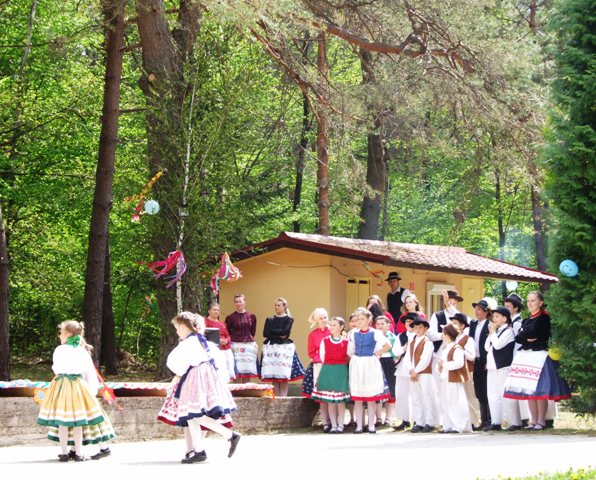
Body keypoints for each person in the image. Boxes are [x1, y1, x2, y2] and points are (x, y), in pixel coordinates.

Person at [157, 312, 240, 463]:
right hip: (209, 378)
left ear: (184, 327)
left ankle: (230, 435)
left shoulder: (188, 343)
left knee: (194, 414)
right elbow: (220, 362)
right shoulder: (204, 342)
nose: (177, 332)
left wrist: (179, 374)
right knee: (191, 414)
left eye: (177, 328)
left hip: (196, 378)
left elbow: (173, 362)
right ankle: (199, 451)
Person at [37, 320, 115, 462]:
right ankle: (78, 453)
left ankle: (65, 453)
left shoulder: (59, 350)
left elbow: (56, 368)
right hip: (77, 386)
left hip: (60, 385)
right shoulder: (81, 351)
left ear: (68, 334)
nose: (59, 336)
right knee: (78, 420)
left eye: (61, 333)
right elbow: (89, 372)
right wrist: (92, 391)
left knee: (63, 419)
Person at [503, 292, 571, 430]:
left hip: (539, 356)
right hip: (527, 357)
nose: (530, 303)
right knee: (529, 389)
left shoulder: (544, 318)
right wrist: (527, 337)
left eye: (533, 300)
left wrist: (527, 336)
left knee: (539, 390)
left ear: (540, 302)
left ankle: (541, 421)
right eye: (528, 301)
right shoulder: (527, 320)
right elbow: (519, 338)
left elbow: (539, 335)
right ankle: (533, 421)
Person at [347, 307, 391, 434]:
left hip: (370, 363)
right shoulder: (353, 334)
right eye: (357, 319)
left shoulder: (375, 333)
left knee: (371, 396)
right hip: (358, 363)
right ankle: (359, 425)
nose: (359, 321)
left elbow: (388, 345)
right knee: (358, 397)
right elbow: (350, 350)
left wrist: (377, 353)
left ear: (368, 320)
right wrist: (353, 359)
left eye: (362, 319)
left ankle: (371, 424)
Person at [311, 317, 350, 433]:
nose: (331, 327)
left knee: (340, 401)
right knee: (330, 401)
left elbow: (349, 357)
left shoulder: (346, 342)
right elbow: (322, 356)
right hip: (328, 370)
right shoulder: (325, 341)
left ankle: (340, 425)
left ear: (341, 327)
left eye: (334, 325)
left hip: (340, 371)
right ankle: (333, 425)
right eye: (331, 325)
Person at [261, 297, 305, 397]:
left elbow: (285, 332)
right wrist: (279, 333)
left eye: (279, 305)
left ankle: (283, 398)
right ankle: (276, 398)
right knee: (274, 375)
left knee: (283, 375)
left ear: (284, 306)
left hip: (283, 348)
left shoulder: (289, 319)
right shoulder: (269, 319)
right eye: (275, 305)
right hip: (271, 348)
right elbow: (265, 333)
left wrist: (273, 331)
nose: (276, 307)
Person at [484, 306, 517, 431]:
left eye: (497, 316)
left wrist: (493, 333)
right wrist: (491, 333)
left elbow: (498, 345)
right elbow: (487, 347)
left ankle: (514, 422)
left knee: (505, 395)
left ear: (505, 318)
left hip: (503, 367)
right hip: (492, 367)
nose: (494, 319)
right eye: (494, 316)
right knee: (493, 395)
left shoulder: (508, 331)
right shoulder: (496, 331)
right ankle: (496, 421)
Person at [404, 317, 439, 433]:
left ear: (425, 329)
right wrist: (411, 370)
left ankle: (430, 422)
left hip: (424, 373)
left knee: (427, 397)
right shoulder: (412, 343)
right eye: (416, 327)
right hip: (413, 374)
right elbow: (407, 359)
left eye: (420, 327)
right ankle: (419, 422)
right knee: (416, 398)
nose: (418, 329)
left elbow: (425, 359)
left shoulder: (427, 343)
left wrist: (416, 371)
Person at [301, 307, 331, 431]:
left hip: (333, 364)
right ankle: (325, 421)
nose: (323, 320)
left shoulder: (333, 331)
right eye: (320, 318)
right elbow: (311, 352)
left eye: (325, 317)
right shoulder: (313, 335)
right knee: (322, 393)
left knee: (333, 392)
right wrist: (319, 358)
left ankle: (335, 421)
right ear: (316, 320)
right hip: (319, 365)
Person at [438, 324, 471, 433]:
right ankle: (448, 425)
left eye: (443, 333)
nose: (442, 335)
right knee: (445, 402)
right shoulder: (446, 348)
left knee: (455, 402)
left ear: (447, 335)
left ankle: (458, 425)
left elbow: (458, 363)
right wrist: (440, 367)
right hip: (445, 377)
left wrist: (444, 364)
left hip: (453, 378)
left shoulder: (457, 348)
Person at [503, 293, 530, 429]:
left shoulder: (518, 323)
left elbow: (517, 344)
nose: (506, 309)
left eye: (508, 307)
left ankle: (524, 419)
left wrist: (515, 360)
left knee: (520, 389)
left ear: (516, 308)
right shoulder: (511, 323)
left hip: (517, 358)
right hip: (513, 359)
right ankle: (518, 419)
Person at [450, 313, 481, 429]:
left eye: (455, 323)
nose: (453, 325)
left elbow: (472, 356)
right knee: (457, 397)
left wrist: (460, 350)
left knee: (469, 396)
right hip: (455, 371)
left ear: (462, 326)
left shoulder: (468, 339)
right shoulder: (452, 339)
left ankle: (474, 421)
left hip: (467, 371)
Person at [391, 312, 417, 431]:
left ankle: (417, 420)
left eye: (411, 321)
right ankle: (404, 420)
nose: (409, 324)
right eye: (407, 321)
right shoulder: (401, 336)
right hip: (402, 368)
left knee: (416, 395)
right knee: (402, 394)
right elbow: (395, 351)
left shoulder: (419, 336)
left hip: (416, 367)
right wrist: (404, 348)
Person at [225, 294, 258, 382]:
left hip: (248, 347)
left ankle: (246, 390)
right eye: (236, 302)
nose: (238, 304)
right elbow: (227, 333)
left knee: (247, 372)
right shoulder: (230, 317)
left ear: (244, 302)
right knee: (236, 372)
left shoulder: (252, 316)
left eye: (240, 301)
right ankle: (237, 390)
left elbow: (253, 332)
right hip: (235, 347)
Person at [469, 298, 491, 430]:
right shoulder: (473, 324)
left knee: (487, 389)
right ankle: (483, 420)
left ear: (486, 312)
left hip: (485, 360)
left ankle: (489, 420)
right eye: (476, 309)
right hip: (476, 360)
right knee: (479, 390)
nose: (476, 312)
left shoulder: (490, 324)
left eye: (479, 309)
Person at [374, 315, 397, 426]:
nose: (380, 326)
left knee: (391, 391)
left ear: (388, 325)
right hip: (376, 362)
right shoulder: (373, 335)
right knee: (378, 391)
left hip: (389, 362)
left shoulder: (393, 337)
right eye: (378, 324)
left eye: (382, 324)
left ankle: (388, 418)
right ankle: (378, 418)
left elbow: (396, 352)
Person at [205, 302, 236, 381]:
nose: (216, 312)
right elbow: (204, 335)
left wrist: (226, 340)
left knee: (226, 370)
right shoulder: (205, 322)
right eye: (214, 310)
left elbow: (228, 335)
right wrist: (217, 340)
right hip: (213, 350)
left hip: (225, 349)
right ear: (209, 311)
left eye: (218, 310)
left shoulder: (222, 324)